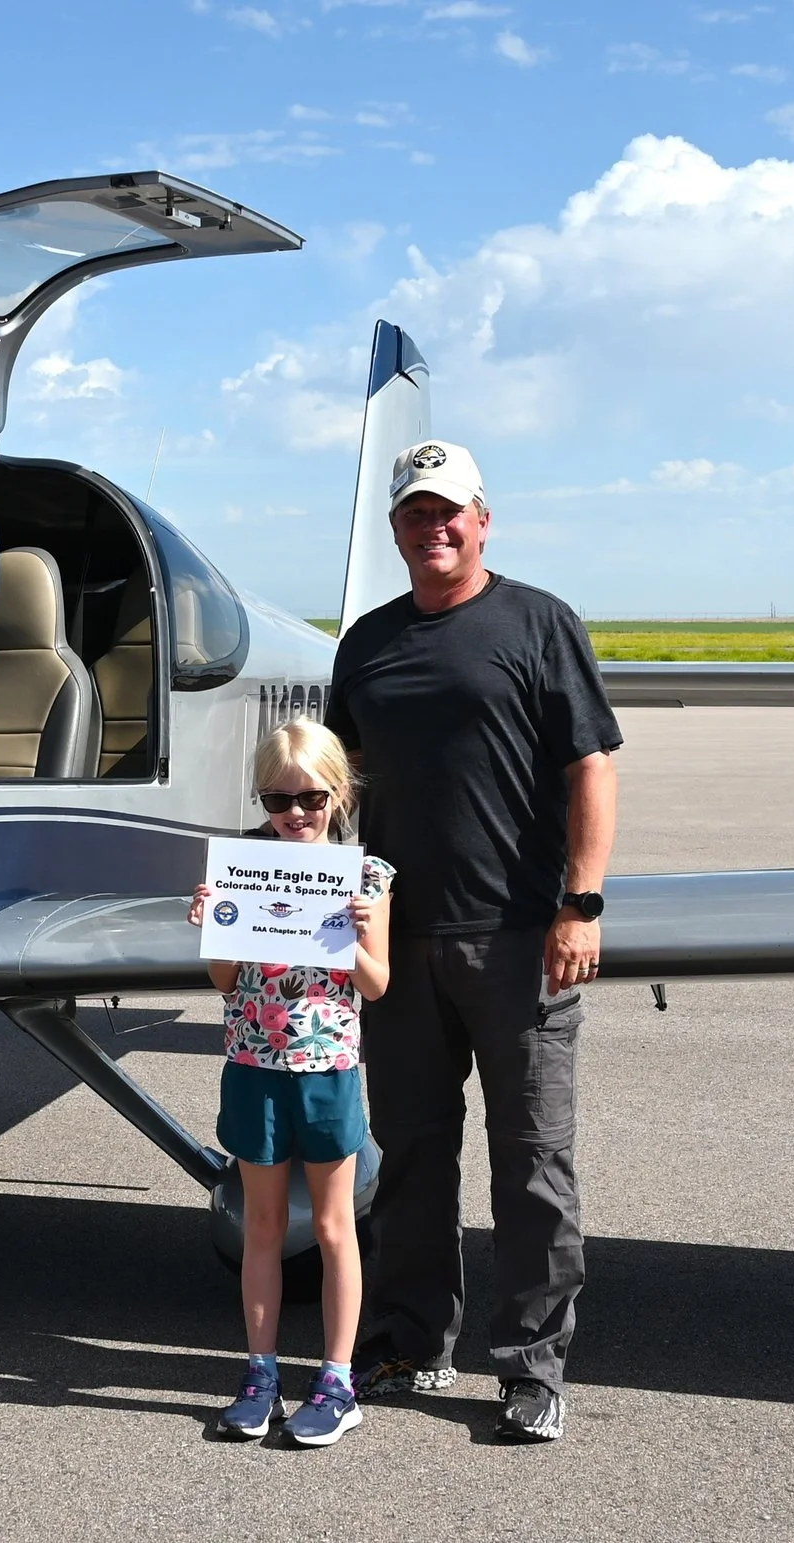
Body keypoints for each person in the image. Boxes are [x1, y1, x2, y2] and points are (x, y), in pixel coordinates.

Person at [325, 439, 620, 1444]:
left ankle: (533, 1365)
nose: (433, 526)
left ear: (482, 518)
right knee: (410, 1151)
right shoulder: (362, 645)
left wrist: (580, 904)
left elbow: (591, 767)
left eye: (449, 510)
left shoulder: (539, 623)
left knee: (533, 1160)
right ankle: (411, 1340)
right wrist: (284, 893)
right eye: (415, 512)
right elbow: (337, 786)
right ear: (396, 527)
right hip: (395, 944)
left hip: (517, 940)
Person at [187, 720, 395, 1447]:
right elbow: (222, 981)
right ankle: (261, 1372)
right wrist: (216, 923)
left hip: (327, 1070)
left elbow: (377, 982)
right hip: (252, 1065)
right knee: (263, 1228)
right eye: (278, 798)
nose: (295, 813)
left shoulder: (366, 876)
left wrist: (359, 928)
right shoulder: (243, 868)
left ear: (338, 794)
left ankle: (336, 1378)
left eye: (310, 796)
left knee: (336, 1228)